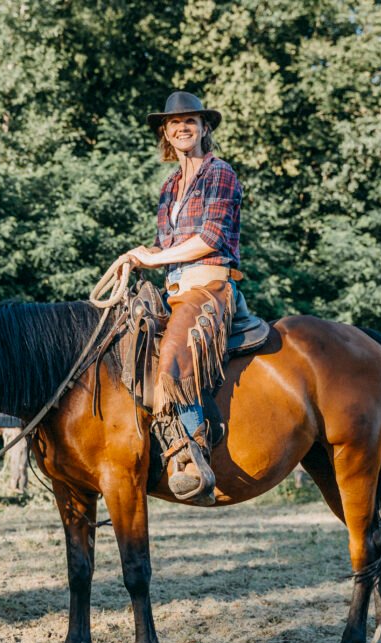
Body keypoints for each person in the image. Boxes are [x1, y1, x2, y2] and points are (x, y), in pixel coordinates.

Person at [123, 91, 243, 504]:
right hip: (174, 287)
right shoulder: (169, 186)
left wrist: (156, 260)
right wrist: (139, 256)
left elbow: (208, 239)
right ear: (166, 133)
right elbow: (165, 245)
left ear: (204, 128)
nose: (182, 127)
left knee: (174, 355)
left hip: (209, 285)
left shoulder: (220, 174)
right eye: (174, 123)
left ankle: (192, 458)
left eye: (190, 120)